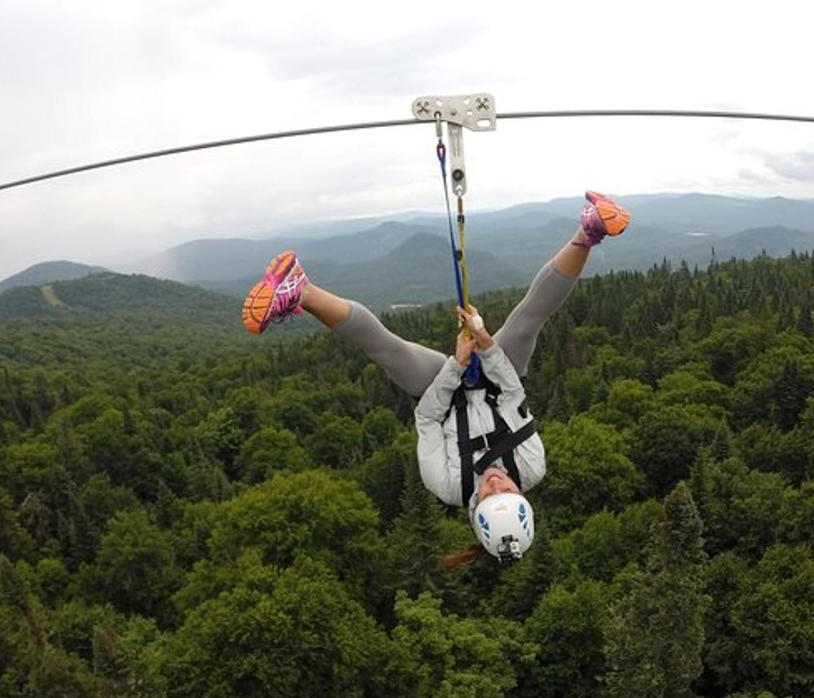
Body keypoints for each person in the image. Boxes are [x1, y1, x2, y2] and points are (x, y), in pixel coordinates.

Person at [242, 191, 630, 563]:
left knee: (388, 350)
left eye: (489, 493)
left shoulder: (446, 484)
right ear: (521, 493)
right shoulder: (531, 466)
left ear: (475, 506)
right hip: (499, 378)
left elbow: (427, 418)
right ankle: (589, 231)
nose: (496, 481)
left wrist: (457, 366)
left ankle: (301, 289)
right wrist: (484, 342)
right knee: (528, 320)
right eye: (507, 489)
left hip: (441, 396)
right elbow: (512, 393)